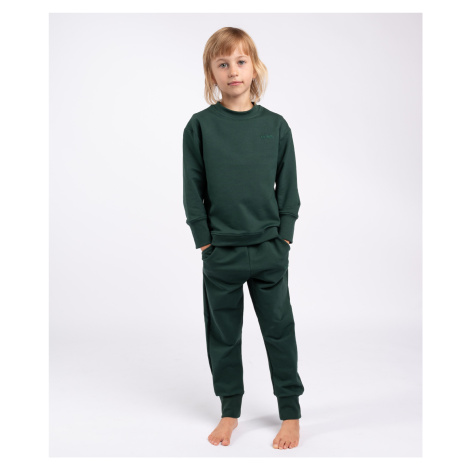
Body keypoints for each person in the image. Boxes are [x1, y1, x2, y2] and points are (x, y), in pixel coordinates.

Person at [182, 27, 304, 450]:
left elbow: (288, 187)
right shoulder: (200, 127)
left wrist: (284, 238)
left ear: (254, 68)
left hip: (269, 250)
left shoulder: (275, 126)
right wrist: (205, 242)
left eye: (240, 61)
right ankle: (229, 411)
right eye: (222, 63)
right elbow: (192, 188)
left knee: (279, 331)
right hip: (222, 254)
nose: (232, 71)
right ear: (211, 74)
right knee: (223, 336)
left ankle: (290, 413)